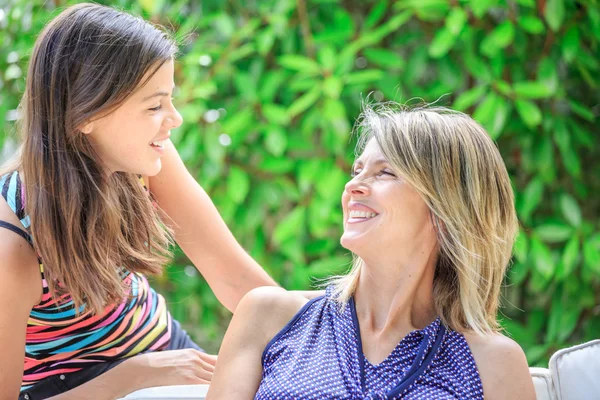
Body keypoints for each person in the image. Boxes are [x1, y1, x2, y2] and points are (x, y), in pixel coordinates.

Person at [0, 3, 278, 400]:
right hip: (79, 387)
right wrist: (134, 375)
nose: (175, 119)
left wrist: (331, 333)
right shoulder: (11, 243)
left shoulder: (147, 158)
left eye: (171, 99)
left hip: (167, 350)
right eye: (154, 106)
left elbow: (237, 280)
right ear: (86, 115)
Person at [206, 104, 537, 399]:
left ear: (446, 210)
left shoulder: (492, 362)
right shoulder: (269, 315)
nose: (353, 186)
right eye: (357, 170)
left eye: (386, 172)